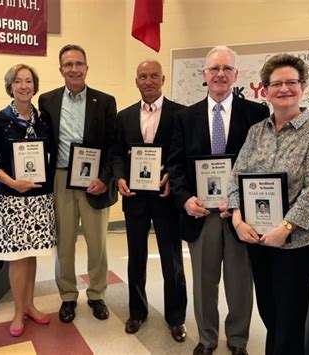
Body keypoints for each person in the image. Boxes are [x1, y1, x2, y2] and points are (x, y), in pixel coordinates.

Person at [227, 53, 309, 355]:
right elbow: (236, 178)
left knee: (289, 321)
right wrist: (237, 220)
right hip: (258, 238)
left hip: (297, 243)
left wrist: (286, 227)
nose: (284, 89)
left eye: (291, 82)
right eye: (277, 84)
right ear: (265, 90)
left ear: (302, 87)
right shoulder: (256, 131)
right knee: (270, 315)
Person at [167, 46, 270, 355]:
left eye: (227, 68)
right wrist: (185, 199)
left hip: (240, 215)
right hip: (200, 215)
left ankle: (238, 341)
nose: (220, 74)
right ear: (205, 76)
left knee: (240, 282)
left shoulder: (256, 113)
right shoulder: (185, 117)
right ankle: (207, 338)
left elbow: (262, 164)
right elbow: (174, 166)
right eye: (214, 69)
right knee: (203, 282)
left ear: (236, 75)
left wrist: (239, 203)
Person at [38, 44, 117, 323]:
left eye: (79, 63)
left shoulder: (105, 101)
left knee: (98, 243)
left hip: (93, 180)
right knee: (65, 242)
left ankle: (96, 294)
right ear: (61, 69)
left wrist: (105, 179)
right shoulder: (46, 101)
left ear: (86, 67)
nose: (74, 69)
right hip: (61, 178)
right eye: (68, 64)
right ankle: (68, 296)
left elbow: (112, 146)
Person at [113, 59, 188, 341]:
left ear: (163, 79)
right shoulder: (125, 116)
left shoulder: (179, 114)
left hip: (166, 197)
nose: (148, 81)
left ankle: (176, 318)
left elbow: (181, 155)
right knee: (137, 258)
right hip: (134, 198)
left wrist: (170, 174)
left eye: (153, 76)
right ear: (136, 81)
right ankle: (137, 312)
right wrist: (119, 177)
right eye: (142, 76)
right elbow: (118, 153)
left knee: (172, 260)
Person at [0, 64, 57, 337]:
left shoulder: (43, 120)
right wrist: (13, 182)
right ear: (10, 86)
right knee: (17, 257)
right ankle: (17, 312)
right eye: (18, 81)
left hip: (39, 198)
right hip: (12, 199)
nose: (24, 86)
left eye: (28, 81)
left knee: (32, 254)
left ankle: (30, 305)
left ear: (34, 86)